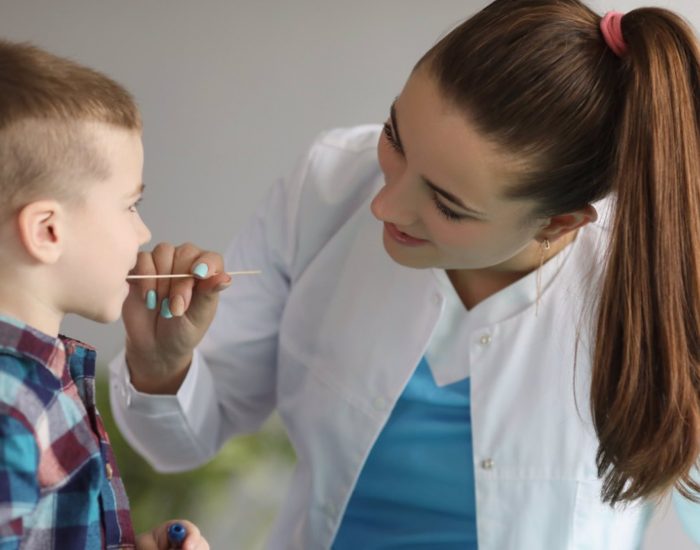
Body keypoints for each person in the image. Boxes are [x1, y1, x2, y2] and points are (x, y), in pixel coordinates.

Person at [110, 0, 700, 548]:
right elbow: (178, 443)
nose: (383, 207)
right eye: (395, 136)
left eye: (447, 204)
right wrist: (163, 367)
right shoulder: (328, 186)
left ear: (560, 222)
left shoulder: (661, 287)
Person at [0, 40, 210, 550]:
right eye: (131, 205)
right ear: (48, 231)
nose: (143, 232)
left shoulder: (43, 380)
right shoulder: (13, 411)